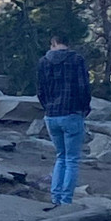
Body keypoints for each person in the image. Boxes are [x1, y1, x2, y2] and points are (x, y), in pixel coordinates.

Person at [36, 33, 91, 208]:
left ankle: (55, 197)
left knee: (60, 157)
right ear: (67, 44)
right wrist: (84, 108)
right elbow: (84, 87)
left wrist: (47, 107)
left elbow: (40, 90)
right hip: (72, 113)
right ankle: (66, 200)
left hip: (51, 116)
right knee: (72, 159)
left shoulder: (43, 62)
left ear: (53, 44)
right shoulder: (77, 60)